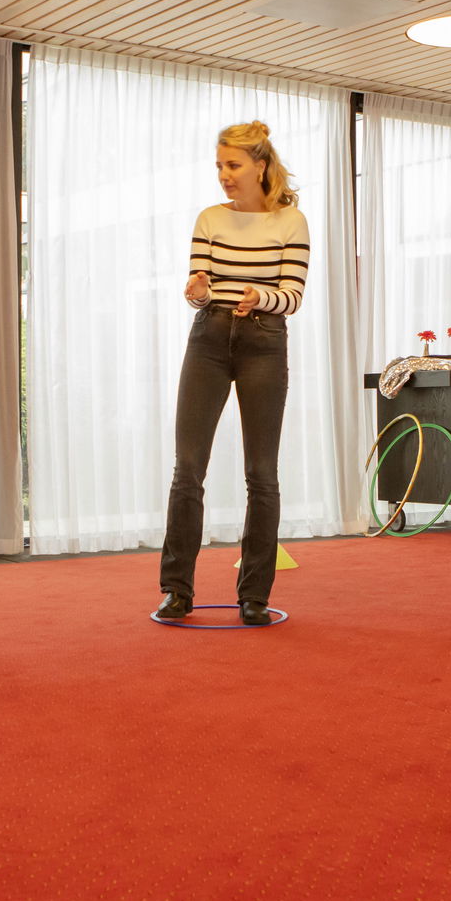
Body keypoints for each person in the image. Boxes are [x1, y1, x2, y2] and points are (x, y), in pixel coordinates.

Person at [158, 122, 308, 626]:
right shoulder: (209, 219)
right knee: (188, 468)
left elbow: (293, 296)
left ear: (260, 167)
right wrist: (198, 291)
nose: (223, 175)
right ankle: (176, 591)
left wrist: (259, 297)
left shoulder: (291, 222)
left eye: (233, 165)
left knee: (261, 474)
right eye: (219, 165)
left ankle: (254, 596)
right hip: (209, 337)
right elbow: (200, 289)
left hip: (264, 341)